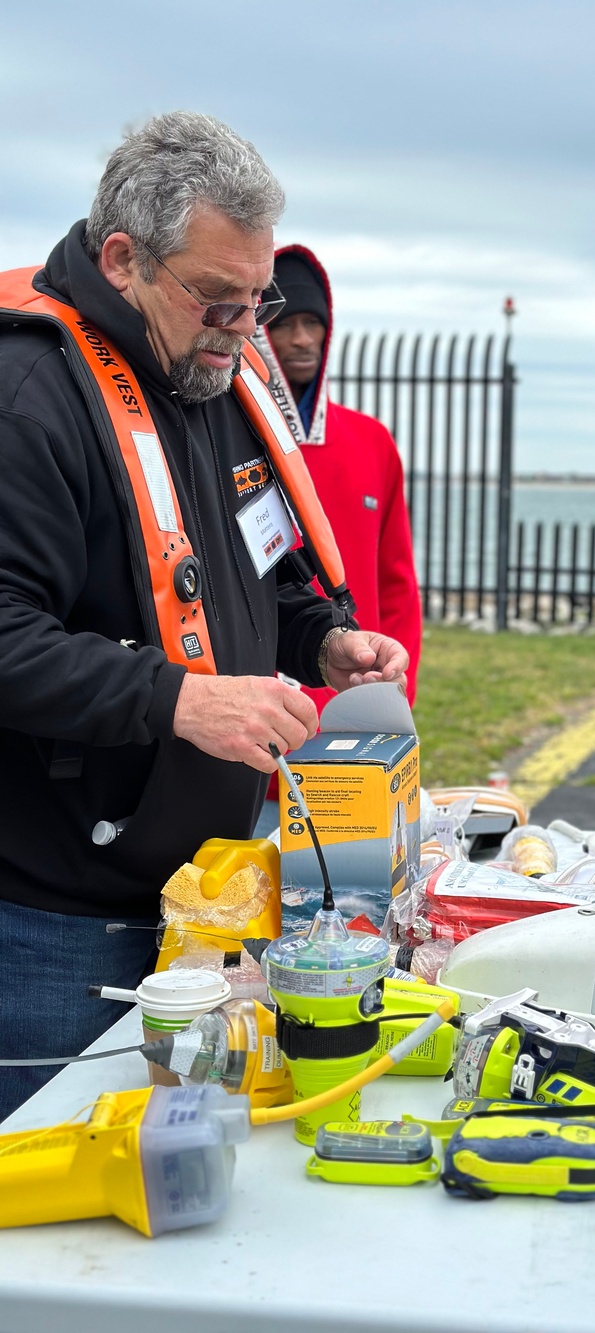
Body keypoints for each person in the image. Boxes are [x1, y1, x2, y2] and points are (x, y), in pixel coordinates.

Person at [0, 112, 407, 1121]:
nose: (244, 327)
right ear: (123, 259)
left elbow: (256, 564)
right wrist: (177, 698)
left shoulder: (211, 376)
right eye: (218, 299)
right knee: (52, 1243)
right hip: (60, 915)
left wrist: (321, 633)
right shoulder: (29, 395)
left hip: (207, 891)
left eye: (255, 298)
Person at [252, 244, 421, 721]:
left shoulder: (371, 441)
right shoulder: (228, 436)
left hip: (357, 690)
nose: (303, 339)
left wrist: (395, 692)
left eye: (314, 323)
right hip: (256, 713)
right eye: (283, 324)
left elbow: (398, 584)